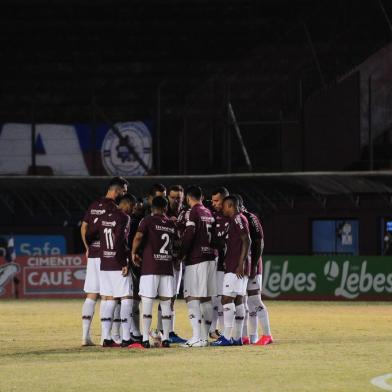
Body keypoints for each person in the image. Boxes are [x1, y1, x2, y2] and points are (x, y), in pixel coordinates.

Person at [80, 176, 128, 346]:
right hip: (107, 255)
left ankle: (85, 336)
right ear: (118, 190)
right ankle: (107, 336)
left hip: (93, 254)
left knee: (91, 294)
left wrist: (87, 247)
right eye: (124, 192)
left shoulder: (94, 204)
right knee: (109, 295)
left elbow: (84, 227)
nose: (125, 195)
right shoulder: (114, 208)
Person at [131, 196, 177, 348]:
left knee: (147, 302)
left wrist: (133, 253)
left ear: (152, 208)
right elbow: (177, 243)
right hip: (167, 267)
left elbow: (138, 237)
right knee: (165, 304)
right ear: (165, 208)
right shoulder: (171, 223)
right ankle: (166, 338)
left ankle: (145, 338)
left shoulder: (147, 221)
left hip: (150, 267)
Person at [211, 196, 250, 347]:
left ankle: (226, 337)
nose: (223, 209)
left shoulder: (237, 218)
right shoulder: (238, 219)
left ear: (230, 205)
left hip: (236, 267)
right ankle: (237, 337)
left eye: (225, 206)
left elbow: (247, 240)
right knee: (238, 300)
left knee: (226, 299)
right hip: (236, 266)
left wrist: (240, 263)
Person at [180, 185, 216, 348]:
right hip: (210, 258)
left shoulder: (193, 211)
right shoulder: (208, 212)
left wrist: (182, 253)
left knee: (191, 297)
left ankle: (196, 337)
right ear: (202, 197)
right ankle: (204, 337)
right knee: (206, 297)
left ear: (188, 198)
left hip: (196, 259)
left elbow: (189, 234)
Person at [235, 194, 273, 346]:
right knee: (243, 302)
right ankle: (249, 337)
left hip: (253, 266)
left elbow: (259, 242)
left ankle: (267, 335)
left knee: (254, 300)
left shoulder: (250, 218)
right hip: (242, 266)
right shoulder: (234, 219)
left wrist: (255, 264)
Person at [98, 190, 133, 348]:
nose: (132, 209)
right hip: (117, 262)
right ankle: (126, 338)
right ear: (125, 204)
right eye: (131, 206)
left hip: (105, 263)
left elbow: (93, 233)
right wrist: (123, 262)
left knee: (110, 299)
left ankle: (106, 338)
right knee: (126, 298)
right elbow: (119, 240)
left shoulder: (104, 216)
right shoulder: (124, 217)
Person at [163, 185, 187, 344]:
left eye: (178, 197)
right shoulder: (163, 213)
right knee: (165, 296)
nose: (176, 200)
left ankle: (168, 331)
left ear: (183, 198)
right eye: (173, 197)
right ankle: (164, 331)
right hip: (163, 261)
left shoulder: (185, 213)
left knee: (172, 297)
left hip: (179, 260)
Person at [209, 187, 230, 339]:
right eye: (213, 200)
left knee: (226, 298)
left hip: (231, 264)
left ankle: (224, 331)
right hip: (218, 263)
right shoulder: (213, 217)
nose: (214, 203)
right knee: (216, 298)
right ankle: (213, 329)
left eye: (217, 200)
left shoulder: (234, 217)